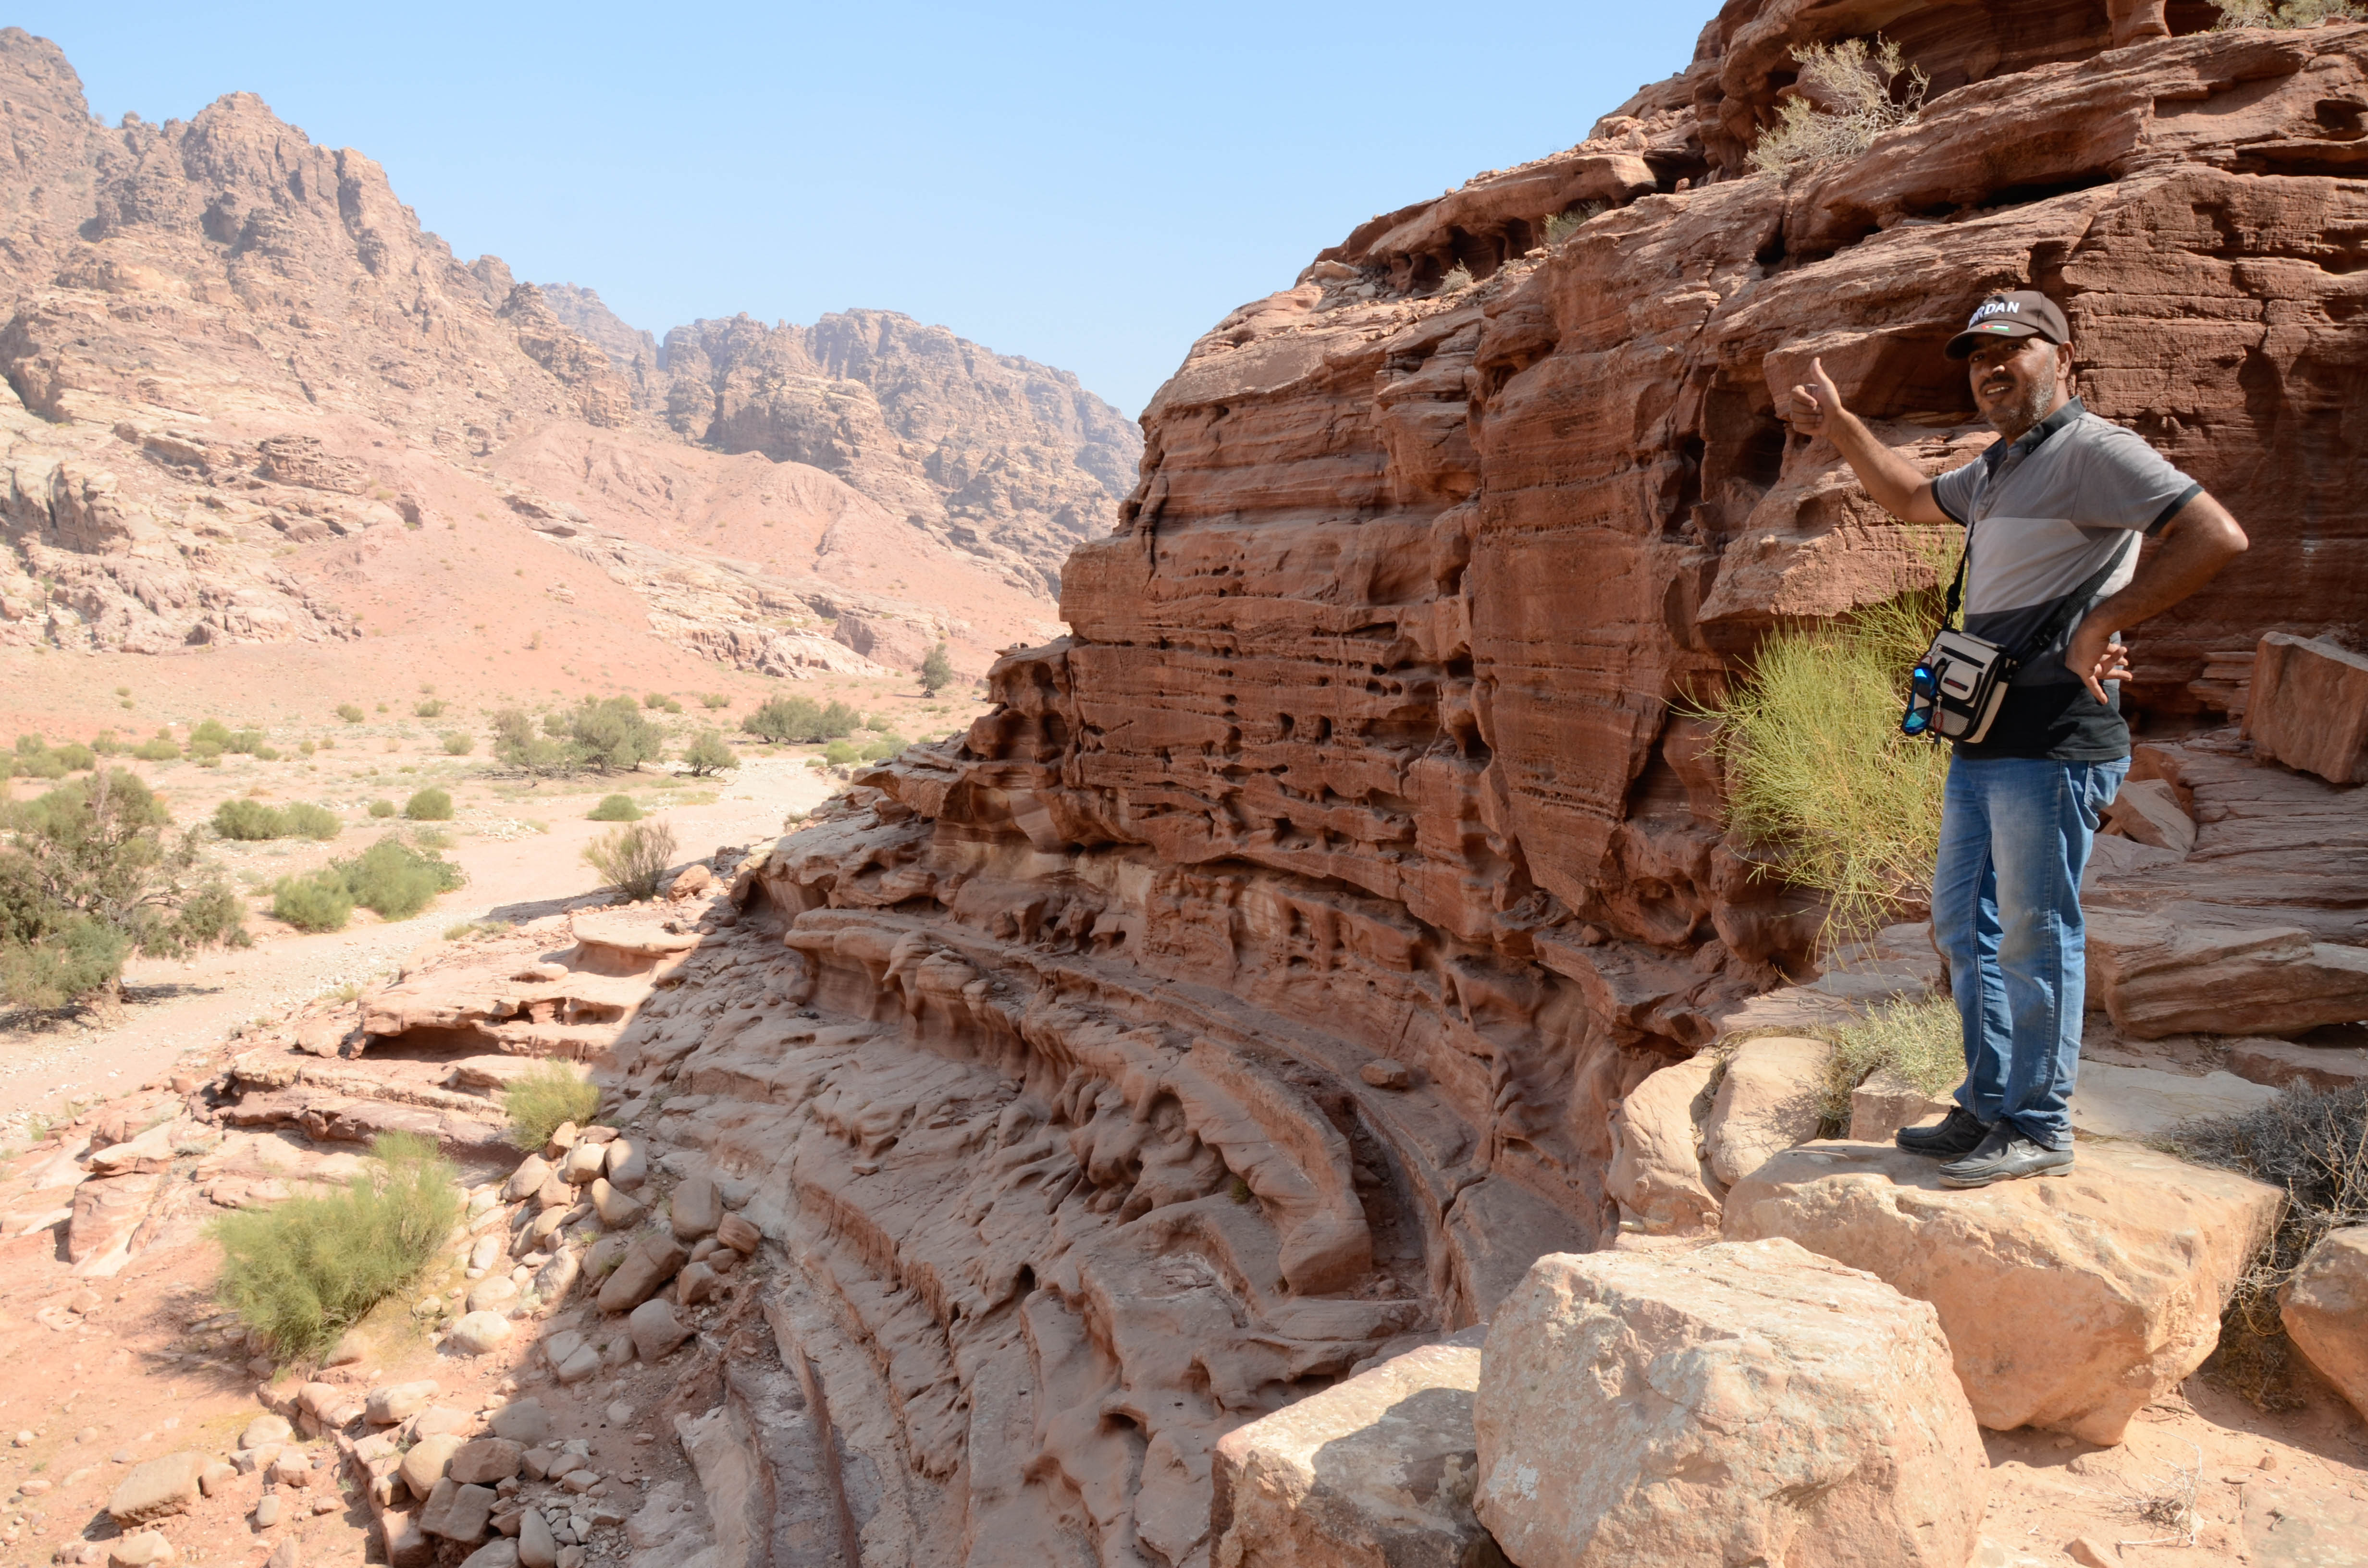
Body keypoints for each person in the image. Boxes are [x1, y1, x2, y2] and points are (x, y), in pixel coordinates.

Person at [1786, 290, 2248, 1188]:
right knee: (1964, 925)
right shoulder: (2001, 466)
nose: (1991, 366)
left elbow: (2215, 535)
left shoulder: (2095, 451)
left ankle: (2040, 1124)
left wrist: (2104, 619)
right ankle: (1990, 1103)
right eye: (1976, 355)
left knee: (2037, 934)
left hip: (2057, 739)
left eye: (2013, 348)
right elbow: (1913, 498)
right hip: (1988, 735)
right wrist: (1841, 426)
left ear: (2063, 356)